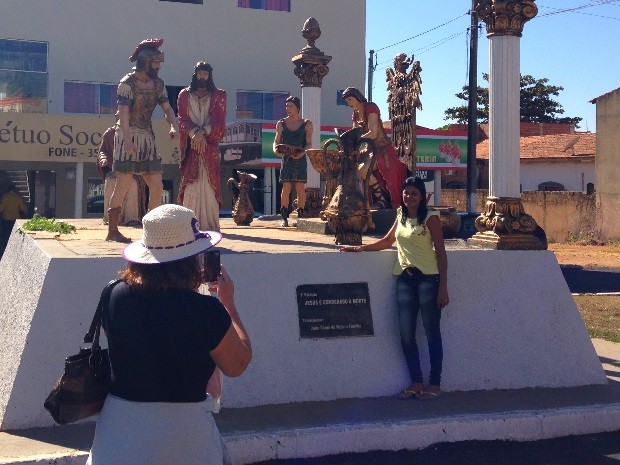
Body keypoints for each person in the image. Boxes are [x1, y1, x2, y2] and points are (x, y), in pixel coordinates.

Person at [86, 204, 252, 465]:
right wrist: (227, 303)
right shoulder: (205, 310)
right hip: (183, 438)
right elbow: (237, 363)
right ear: (191, 258)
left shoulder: (113, 294)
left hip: (118, 435)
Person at [341, 176, 449, 400]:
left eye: (414, 194)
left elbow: (441, 254)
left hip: (429, 281)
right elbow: (387, 241)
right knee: (406, 334)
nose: (409, 197)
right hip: (405, 280)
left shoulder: (431, 219)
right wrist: (360, 248)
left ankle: (435, 383)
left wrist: (443, 288)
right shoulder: (400, 215)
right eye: (406, 193)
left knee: (431, 333)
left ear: (423, 197)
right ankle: (417, 381)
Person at [106, 38, 178, 243]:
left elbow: (167, 109)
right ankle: (112, 230)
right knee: (123, 184)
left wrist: (172, 124)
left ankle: (151, 229)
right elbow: (123, 114)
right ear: (145, 62)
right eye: (155, 63)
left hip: (147, 136)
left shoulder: (158, 84)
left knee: (156, 184)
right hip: (127, 134)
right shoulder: (127, 84)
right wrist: (127, 140)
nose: (158, 67)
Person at [177, 62, 227, 232]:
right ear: (195, 74)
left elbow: (219, 122)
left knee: (209, 188)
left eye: (206, 74)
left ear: (210, 76)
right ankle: (189, 227)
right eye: (200, 74)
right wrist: (193, 134)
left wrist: (203, 133)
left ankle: (209, 226)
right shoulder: (184, 95)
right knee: (191, 187)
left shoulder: (219, 95)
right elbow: (182, 119)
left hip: (209, 147)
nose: (202, 77)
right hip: (192, 147)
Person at [342, 86, 408, 210]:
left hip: (382, 149)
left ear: (357, 97)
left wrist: (357, 141)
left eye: (350, 100)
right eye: (347, 101)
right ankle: (372, 199)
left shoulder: (370, 107)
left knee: (363, 168)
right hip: (369, 149)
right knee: (356, 168)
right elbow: (355, 132)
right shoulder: (355, 114)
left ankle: (382, 199)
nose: (348, 103)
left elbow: (373, 132)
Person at [98, 114, 146, 226]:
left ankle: (132, 217)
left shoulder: (136, 134)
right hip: (113, 171)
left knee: (133, 184)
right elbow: (102, 151)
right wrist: (103, 158)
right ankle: (111, 218)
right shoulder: (109, 134)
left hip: (132, 172)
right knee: (110, 182)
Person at [273, 96, 313, 227]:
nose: (288, 109)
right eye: (287, 106)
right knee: (286, 187)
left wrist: (301, 153)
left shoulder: (307, 123)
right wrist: (276, 150)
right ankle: (284, 217)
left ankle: (301, 216)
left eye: (291, 106)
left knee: (300, 187)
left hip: (300, 158)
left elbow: (308, 143)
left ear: (297, 107)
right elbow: (276, 141)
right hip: (287, 158)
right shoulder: (281, 123)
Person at [0, 184, 28, 257]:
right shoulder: (18, 197)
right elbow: (23, 208)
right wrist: (27, 213)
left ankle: (5, 249)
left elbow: (1, 208)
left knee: (5, 236)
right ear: (14, 190)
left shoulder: (5, 196)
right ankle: (13, 249)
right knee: (13, 235)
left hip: (6, 219)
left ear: (8, 189)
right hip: (15, 220)